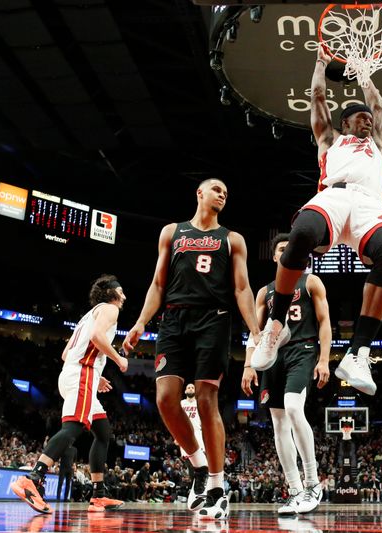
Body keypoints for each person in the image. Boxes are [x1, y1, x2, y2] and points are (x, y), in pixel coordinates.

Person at [249, 46, 382, 396]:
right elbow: (318, 96)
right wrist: (320, 63)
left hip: (369, 204)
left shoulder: (378, 143)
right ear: (345, 122)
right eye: (359, 117)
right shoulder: (329, 139)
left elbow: (378, 105)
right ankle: (276, 327)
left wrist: (364, 73)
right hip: (334, 195)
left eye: (368, 118)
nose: (366, 120)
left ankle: (358, 352)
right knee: (301, 232)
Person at [122, 178, 261, 520]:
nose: (223, 195)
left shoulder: (232, 240)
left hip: (214, 321)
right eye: (217, 190)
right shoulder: (172, 232)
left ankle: (216, 484)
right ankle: (198, 465)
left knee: (205, 398)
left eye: (226, 193)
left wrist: (255, 331)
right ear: (200, 193)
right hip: (173, 320)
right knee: (166, 398)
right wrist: (141, 322)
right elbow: (158, 283)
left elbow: (242, 289)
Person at [10, 275, 129, 514]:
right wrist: (118, 359)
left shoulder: (88, 315)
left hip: (76, 374)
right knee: (74, 428)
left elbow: (66, 353)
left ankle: (98, 494)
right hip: (81, 375)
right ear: (111, 293)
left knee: (103, 432)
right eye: (121, 291)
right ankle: (32, 478)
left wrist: (97, 375)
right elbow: (97, 338)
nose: (124, 296)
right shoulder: (109, 309)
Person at [243, 233, 331, 515]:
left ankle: (312, 482)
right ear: (274, 256)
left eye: (290, 248)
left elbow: (324, 321)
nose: (286, 252)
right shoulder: (264, 292)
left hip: (302, 349)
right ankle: (294, 490)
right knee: (278, 422)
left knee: (294, 409)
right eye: (281, 249)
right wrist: (247, 365)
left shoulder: (311, 281)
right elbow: (255, 333)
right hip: (273, 356)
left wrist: (325, 359)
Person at [179, 383, 205, 466]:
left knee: (201, 457)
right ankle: (192, 478)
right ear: (185, 391)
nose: (190, 389)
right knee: (188, 460)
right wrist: (176, 436)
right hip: (184, 433)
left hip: (197, 431)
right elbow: (177, 419)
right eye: (188, 388)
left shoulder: (199, 403)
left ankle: (200, 477)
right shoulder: (181, 403)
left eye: (192, 388)